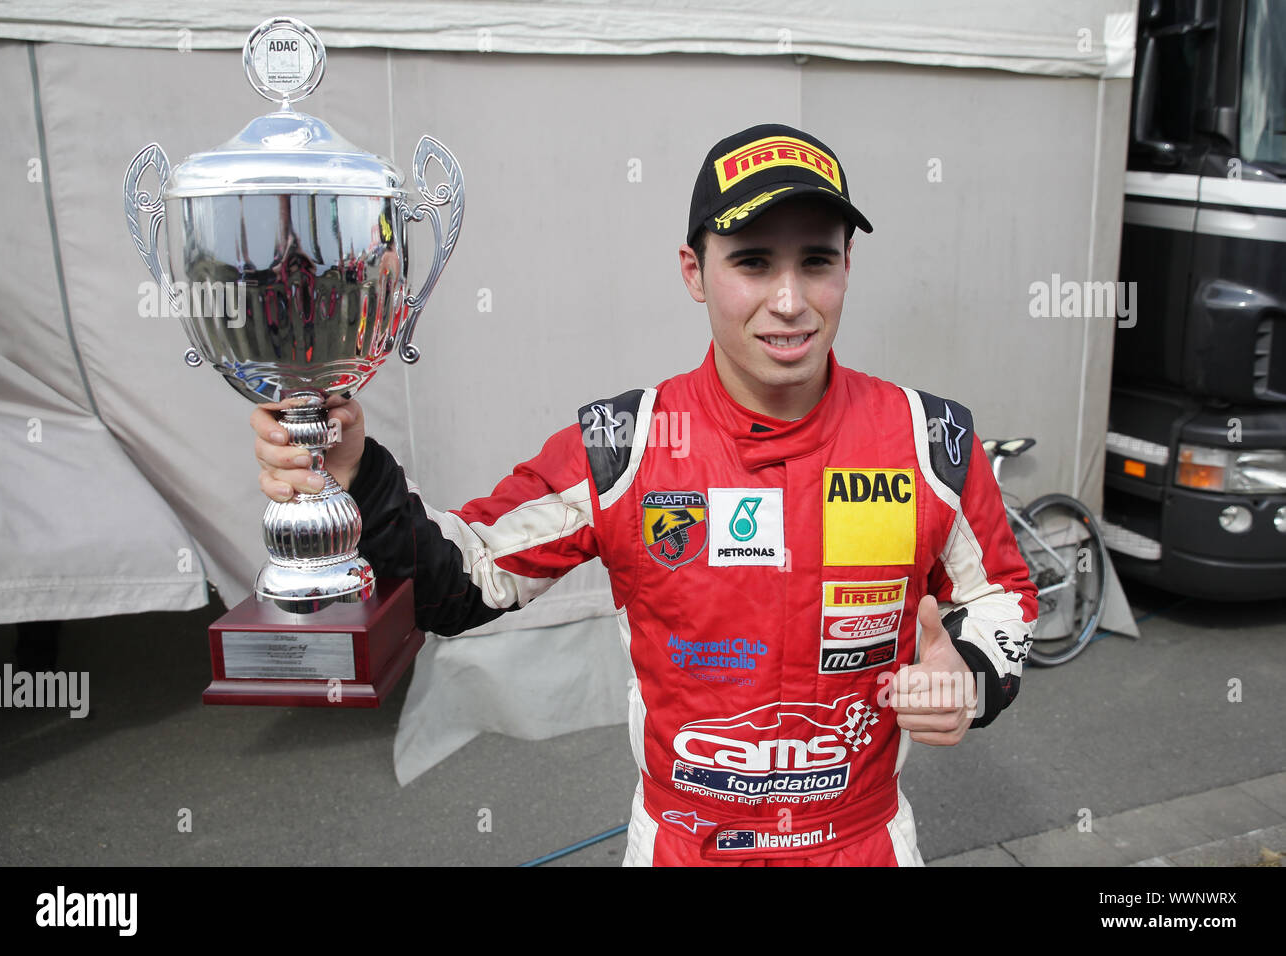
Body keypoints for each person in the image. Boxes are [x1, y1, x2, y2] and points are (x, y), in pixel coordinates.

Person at [251, 123, 1038, 866]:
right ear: (694, 272)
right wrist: (355, 471)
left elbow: (1003, 593)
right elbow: (464, 581)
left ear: (848, 267)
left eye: (817, 262)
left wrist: (967, 673)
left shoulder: (929, 437)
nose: (791, 300)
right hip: (682, 845)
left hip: (862, 842)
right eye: (754, 262)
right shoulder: (624, 445)